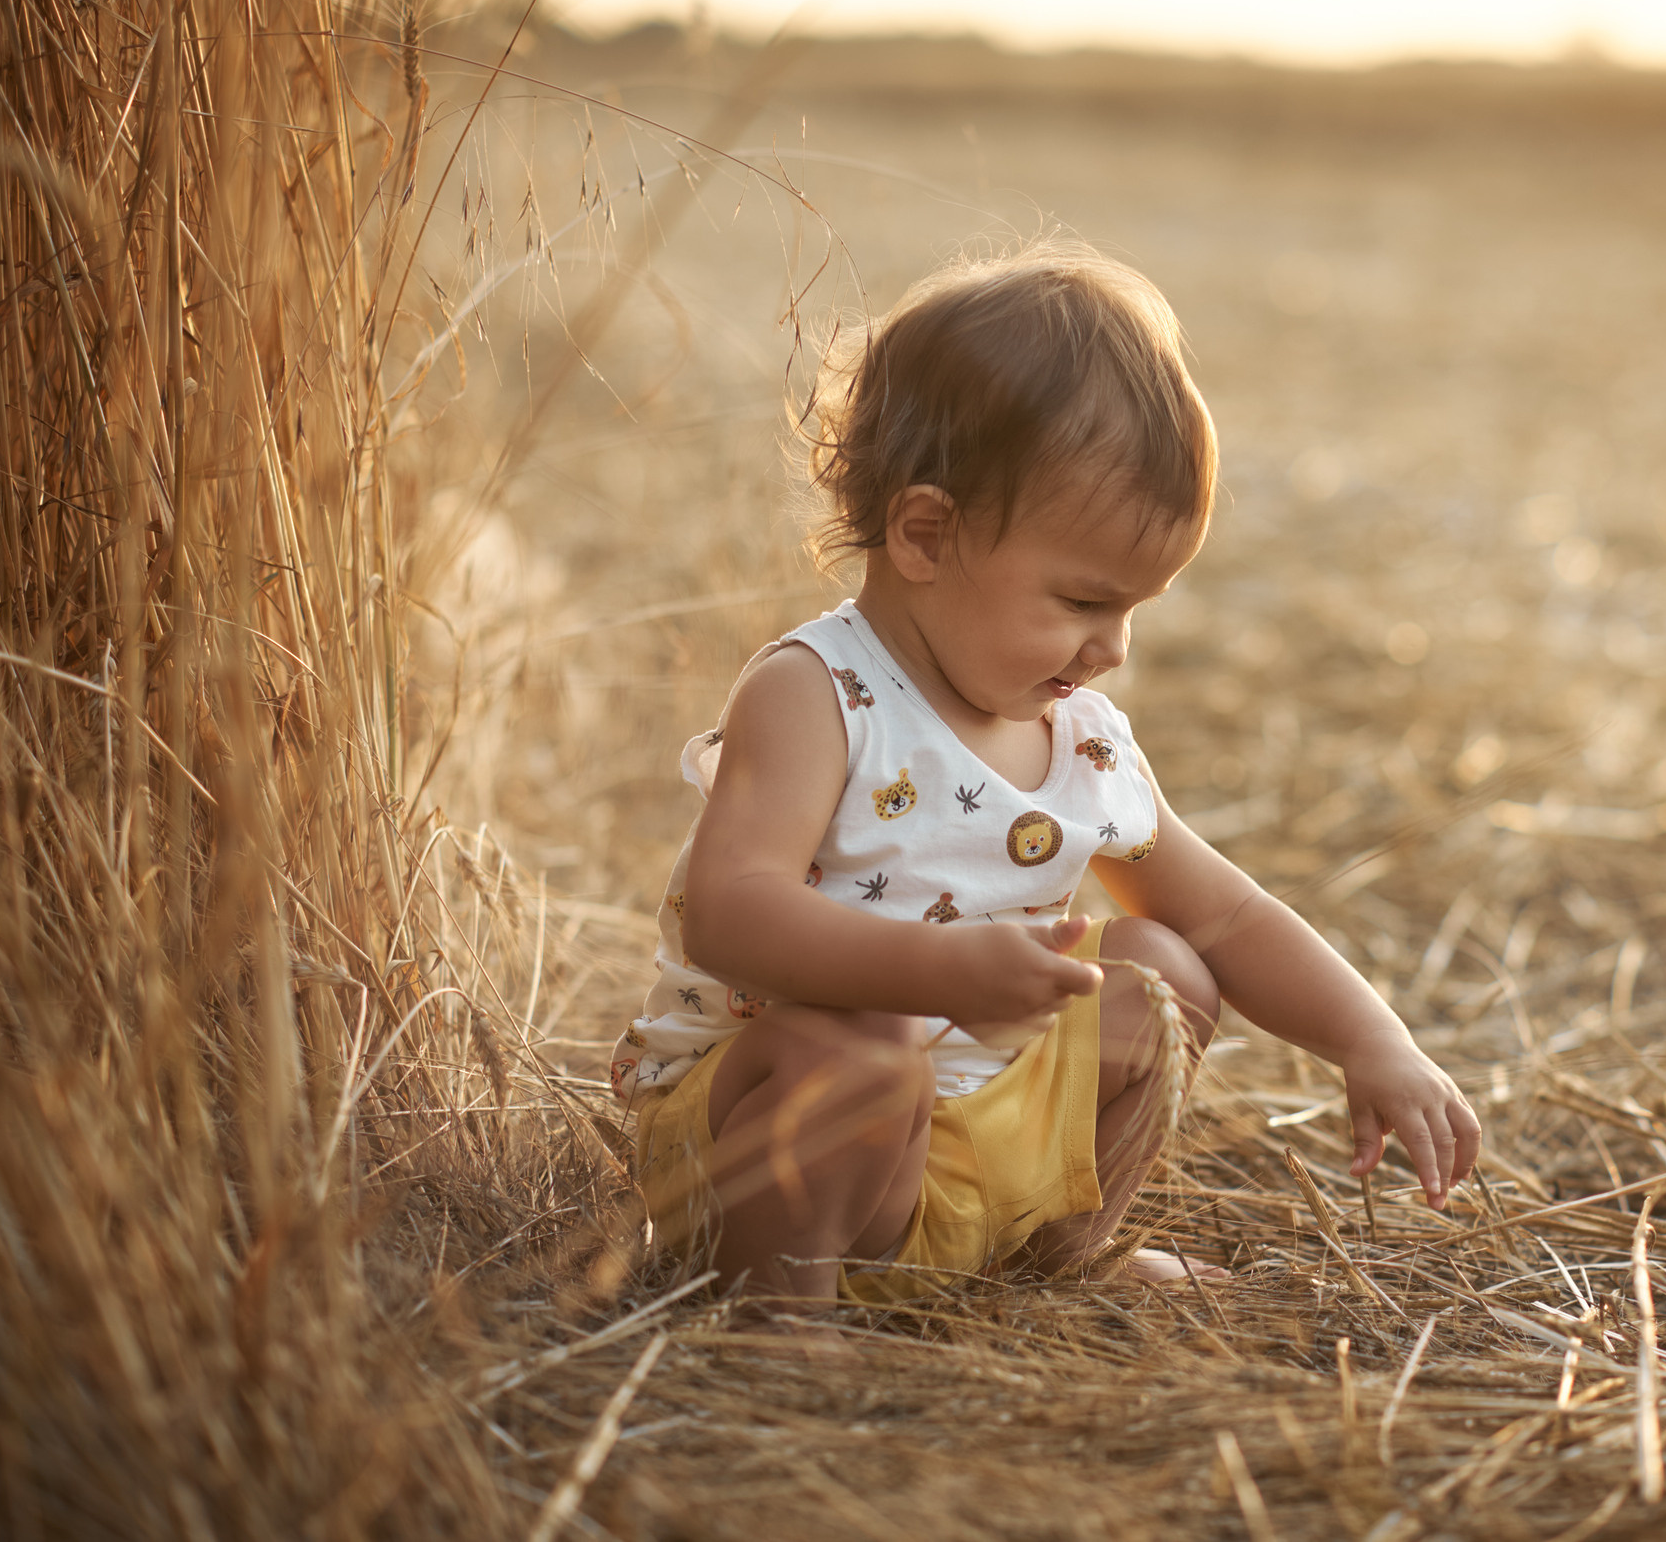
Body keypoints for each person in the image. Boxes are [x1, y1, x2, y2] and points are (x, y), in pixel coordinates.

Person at [609, 240, 1480, 1316]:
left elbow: (1232, 915)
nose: (1111, 646)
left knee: (1161, 969)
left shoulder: (1083, 739)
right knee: (863, 1040)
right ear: (924, 533)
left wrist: (1372, 1038)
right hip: (760, 1148)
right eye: (1081, 602)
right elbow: (732, 918)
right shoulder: (816, 691)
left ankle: (1050, 1253)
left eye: (1134, 609)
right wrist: (937, 974)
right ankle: (778, 1313)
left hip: (954, 1139)